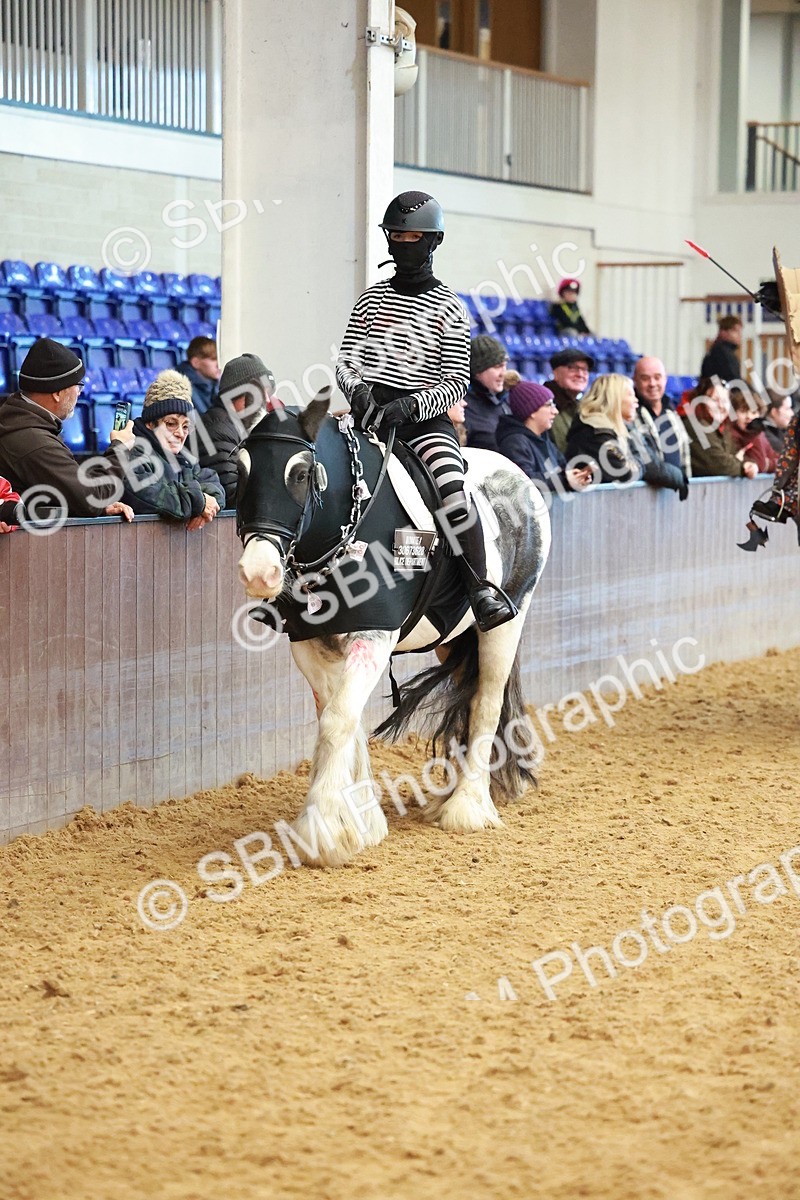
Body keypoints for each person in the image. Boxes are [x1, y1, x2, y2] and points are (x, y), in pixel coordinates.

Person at [336, 189, 516, 632]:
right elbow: (345, 360)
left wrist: (411, 404)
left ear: (432, 241)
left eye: (413, 236)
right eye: (395, 236)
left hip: (424, 422)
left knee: (452, 490)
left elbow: (455, 381)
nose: (403, 244)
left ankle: (480, 589)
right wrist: (357, 390)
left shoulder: (449, 307)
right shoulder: (370, 299)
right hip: (369, 415)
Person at [0, 338, 133, 521]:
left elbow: (60, 495)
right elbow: (91, 497)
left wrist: (98, 505)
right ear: (57, 393)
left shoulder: (24, 425)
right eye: (77, 386)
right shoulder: (33, 441)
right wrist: (121, 449)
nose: (80, 393)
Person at [106, 370, 225, 526]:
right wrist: (199, 502)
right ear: (150, 423)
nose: (180, 433)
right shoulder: (132, 451)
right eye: (171, 424)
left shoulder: (185, 458)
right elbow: (147, 495)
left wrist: (204, 505)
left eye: (186, 426)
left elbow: (216, 487)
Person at [566, 373, 688, 495]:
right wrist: (644, 463)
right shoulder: (597, 432)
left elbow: (651, 460)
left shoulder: (625, 429)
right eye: (630, 395)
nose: (636, 401)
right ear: (614, 399)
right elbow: (626, 472)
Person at [197, 353, 278, 507]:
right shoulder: (219, 430)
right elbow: (231, 496)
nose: (267, 400)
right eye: (260, 393)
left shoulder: (238, 426)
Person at [495, 380, 593, 495]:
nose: (555, 411)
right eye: (549, 405)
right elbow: (523, 482)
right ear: (532, 411)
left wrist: (577, 477)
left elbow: (562, 470)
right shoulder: (514, 442)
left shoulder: (545, 439)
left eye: (554, 405)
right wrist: (565, 480)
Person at [680, 378, 757, 479]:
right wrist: (743, 467)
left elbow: (734, 455)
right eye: (715, 400)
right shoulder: (695, 424)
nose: (721, 406)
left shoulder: (723, 428)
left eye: (725, 401)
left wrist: (749, 464)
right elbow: (717, 464)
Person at [632, 356, 692, 478]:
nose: (652, 384)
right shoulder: (630, 417)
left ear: (665, 379)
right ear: (635, 381)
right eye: (645, 378)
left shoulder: (673, 415)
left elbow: (685, 460)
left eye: (657, 377)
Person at [463, 335, 508, 451]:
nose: (503, 373)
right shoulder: (464, 409)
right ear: (478, 371)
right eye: (498, 366)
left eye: (504, 366)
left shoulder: (506, 401)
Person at [546, 348, 595, 454]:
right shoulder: (544, 404)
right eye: (573, 368)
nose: (580, 374)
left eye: (585, 370)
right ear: (555, 372)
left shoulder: (581, 406)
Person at [728, 390, 777, 474]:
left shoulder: (759, 434)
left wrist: (768, 464)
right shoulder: (730, 435)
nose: (749, 417)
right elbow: (759, 465)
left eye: (754, 412)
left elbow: (779, 461)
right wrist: (766, 463)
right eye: (743, 411)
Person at [177, 336, 221, 414]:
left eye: (219, 359)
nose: (219, 365)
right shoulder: (180, 387)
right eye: (213, 359)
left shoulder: (216, 384)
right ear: (196, 363)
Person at [700, 314, 742, 383]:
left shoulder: (722, 350)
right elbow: (733, 379)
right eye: (735, 331)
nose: (739, 335)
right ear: (723, 332)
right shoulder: (721, 353)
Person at [761, 391, 795, 456]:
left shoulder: (779, 429)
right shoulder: (766, 434)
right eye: (787, 409)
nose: (792, 413)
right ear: (774, 412)